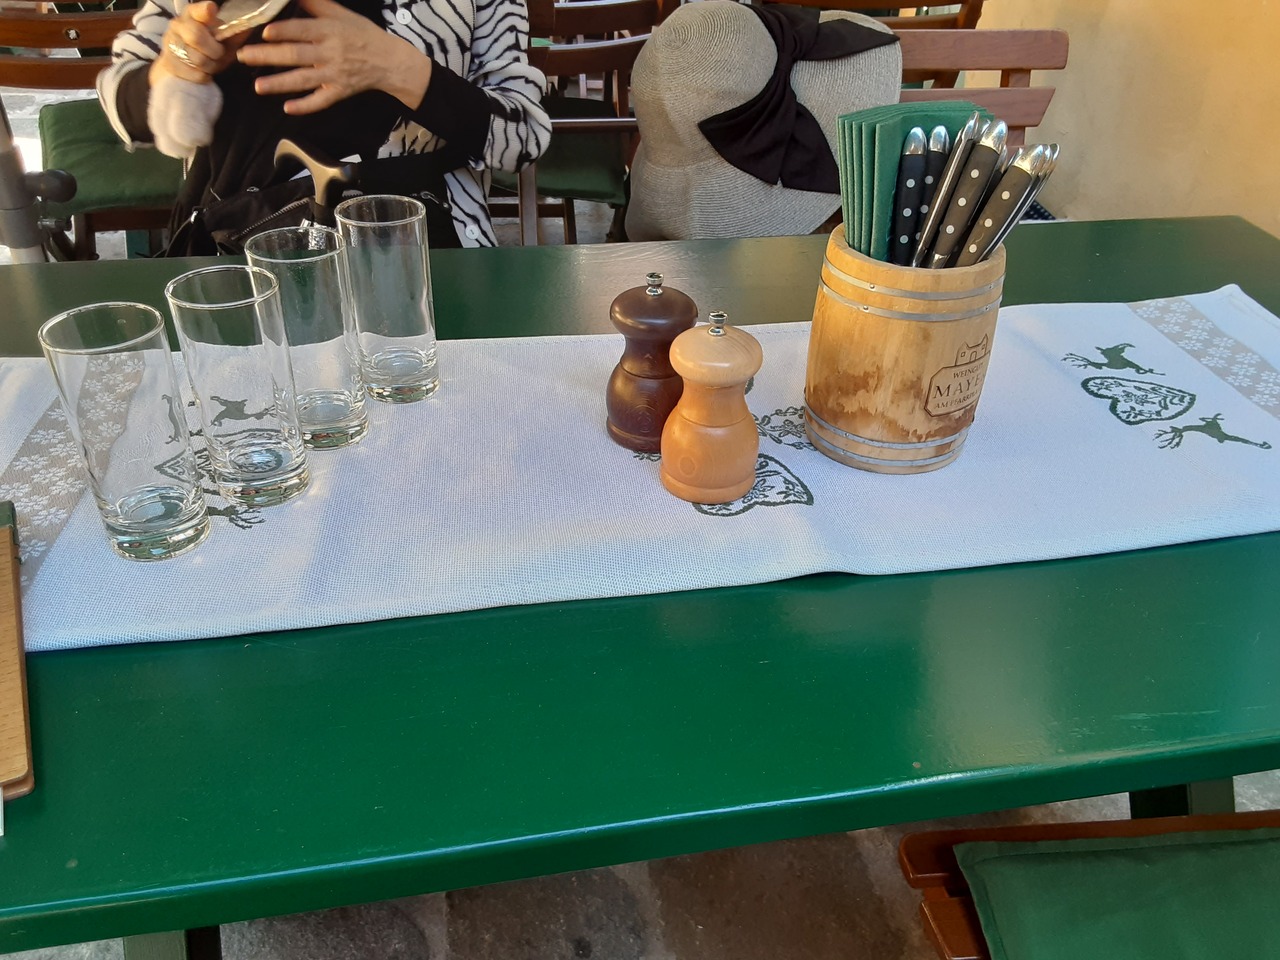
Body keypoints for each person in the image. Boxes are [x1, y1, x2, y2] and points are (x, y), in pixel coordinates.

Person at [97, 0, 551, 249]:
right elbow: (120, 100)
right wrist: (175, 67)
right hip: (237, 246)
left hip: (425, 243)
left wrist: (400, 69)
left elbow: (523, 137)